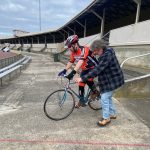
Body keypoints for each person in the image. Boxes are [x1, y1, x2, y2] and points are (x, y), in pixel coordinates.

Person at [74, 39, 124, 126]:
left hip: (113, 80)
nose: (94, 54)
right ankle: (113, 114)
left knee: (104, 98)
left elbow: (98, 69)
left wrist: (83, 78)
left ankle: (106, 118)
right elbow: (99, 68)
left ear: (100, 48)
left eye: (95, 52)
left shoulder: (106, 55)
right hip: (109, 79)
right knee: (108, 97)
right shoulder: (105, 53)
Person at [58, 35, 99, 108]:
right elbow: (70, 62)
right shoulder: (73, 53)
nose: (69, 48)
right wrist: (64, 70)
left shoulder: (84, 49)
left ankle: (95, 92)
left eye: (70, 46)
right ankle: (82, 100)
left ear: (75, 44)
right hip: (85, 69)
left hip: (94, 68)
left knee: (86, 79)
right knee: (81, 83)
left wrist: (73, 73)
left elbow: (80, 61)